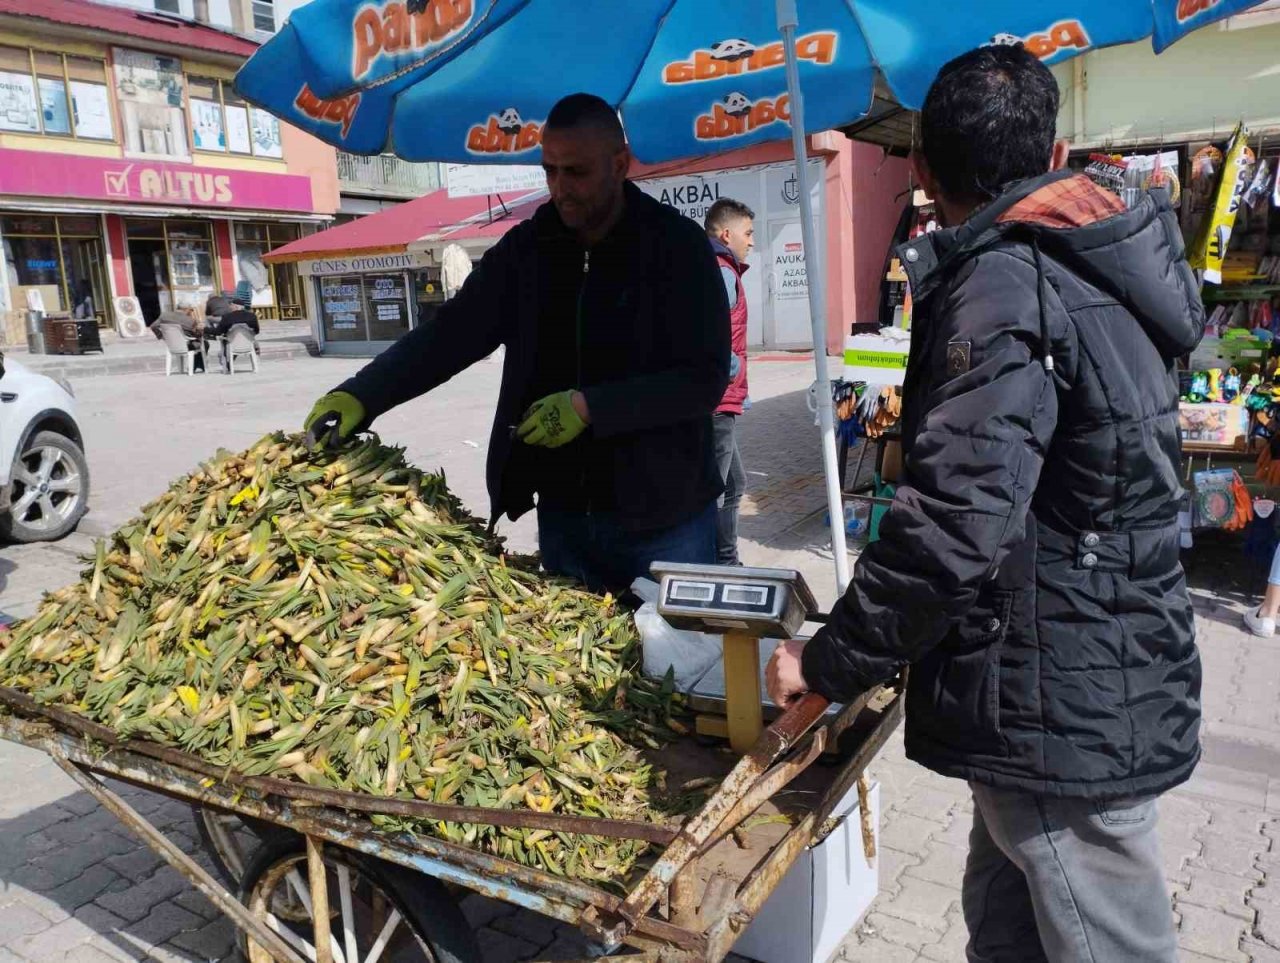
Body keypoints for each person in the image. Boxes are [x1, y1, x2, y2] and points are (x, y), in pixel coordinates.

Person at [766, 43, 1204, 962]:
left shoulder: (1008, 281)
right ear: (1056, 154)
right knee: (1006, 925)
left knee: (1104, 939)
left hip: (1061, 691)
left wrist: (831, 658)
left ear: (923, 171)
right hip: (1093, 657)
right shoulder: (1107, 256)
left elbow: (954, 522)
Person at [303, 93, 729, 591]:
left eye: (576, 172)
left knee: (681, 644)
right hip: (566, 518)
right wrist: (363, 394)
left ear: (620, 164)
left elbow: (703, 380)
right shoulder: (527, 251)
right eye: (550, 171)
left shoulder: (677, 248)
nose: (561, 189)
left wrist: (591, 407)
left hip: (666, 519)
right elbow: (450, 334)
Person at [704, 198, 753, 566]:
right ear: (726, 234)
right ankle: (711, 565)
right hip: (718, 399)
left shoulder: (716, 267)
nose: (751, 241)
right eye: (747, 233)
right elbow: (708, 332)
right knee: (716, 490)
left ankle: (727, 560)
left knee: (734, 484)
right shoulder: (721, 271)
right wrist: (731, 369)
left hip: (722, 398)